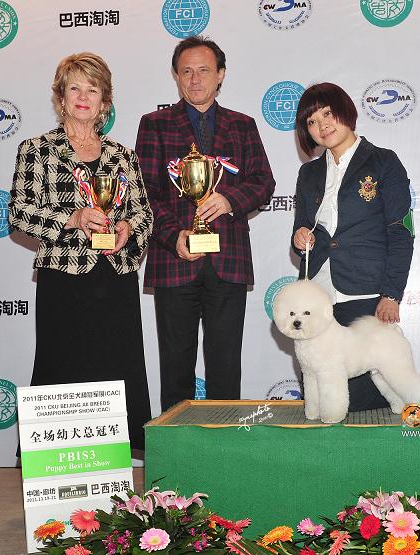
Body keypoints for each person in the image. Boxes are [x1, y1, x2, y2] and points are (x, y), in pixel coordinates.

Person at [9, 52, 153, 450]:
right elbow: (19, 213)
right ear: (61, 97)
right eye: (75, 88)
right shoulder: (36, 149)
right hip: (64, 280)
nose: (84, 97)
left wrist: (128, 228)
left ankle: (111, 461)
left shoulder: (123, 155)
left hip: (115, 278)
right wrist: (71, 218)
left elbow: (143, 213)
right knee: (61, 367)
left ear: (105, 100)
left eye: (93, 89)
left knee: (116, 370)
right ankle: (58, 460)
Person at [135, 36, 275, 412]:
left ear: (220, 75)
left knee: (226, 369)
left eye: (204, 70)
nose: (195, 79)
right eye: (186, 71)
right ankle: (176, 449)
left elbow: (264, 182)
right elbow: (144, 192)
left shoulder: (243, 126)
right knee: (175, 370)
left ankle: (224, 446)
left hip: (228, 260)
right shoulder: (154, 125)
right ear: (176, 76)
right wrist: (173, 236)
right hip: (174, 260)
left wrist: (229, 200)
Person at [291, 82, 414, 411]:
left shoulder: (383, 162)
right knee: (320, 398)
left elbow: (400, 231)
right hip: (318, 299)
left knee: (365, 402)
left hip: (366, 295)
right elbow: (301, 230)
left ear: (346, 111)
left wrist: (391, 294)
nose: (322, 125)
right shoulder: (308, 173)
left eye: (327, 114)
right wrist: (300, 237)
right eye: (312, 121)